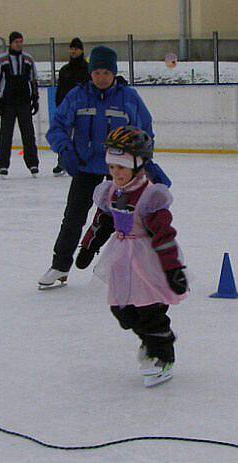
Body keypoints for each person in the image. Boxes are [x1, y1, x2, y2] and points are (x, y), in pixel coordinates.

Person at [39, 45, 172, 289]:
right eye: (97, 72)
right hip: (85, 166)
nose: (101, 77)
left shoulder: (128, 97)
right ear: (90, 73)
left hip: (121, 170)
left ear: (114, 74)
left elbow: (145, 131)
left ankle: (141, 267)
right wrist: (65, 149)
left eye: (106, 73)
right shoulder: (77, 96)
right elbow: (56, 127)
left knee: (130, 219)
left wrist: (145, 162)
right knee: (73, 217)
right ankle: (60, 265)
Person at [76, 126, 187, 387]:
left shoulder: (151, 197)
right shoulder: (110, 192)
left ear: (139, 165)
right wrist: (88, 247)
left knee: (150, 310)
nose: (116, 174)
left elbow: (164, 236)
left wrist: (173, 269)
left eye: (121, 168)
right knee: (122, 309)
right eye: (112, 167)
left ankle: (162, 353)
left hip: (146, 260)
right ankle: (149, 340)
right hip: (120, 258)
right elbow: (102, 222)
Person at [0, 31, 39, 178]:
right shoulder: (2, 59)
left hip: (24, 102)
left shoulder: (28, 60)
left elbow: (34, 80)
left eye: (21, 42)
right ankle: (2, 165)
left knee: (29, 134)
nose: (19, 44)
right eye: (16, 42)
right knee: (6, 135)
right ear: (10, 43)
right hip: (8, 104)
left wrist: (35, 99)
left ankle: (33, 163)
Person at [52, 37, 90, 176]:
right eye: (72, 48)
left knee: (82, 137)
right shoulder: (64, 70)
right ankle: (62, 163)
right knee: (65, 137)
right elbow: (60, 89)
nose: (74, 51)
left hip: (84, 109)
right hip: (67, 109)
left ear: (81, 51)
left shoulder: (87, 69)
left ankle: (82, 161)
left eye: (77, 49)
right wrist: (59, 105)